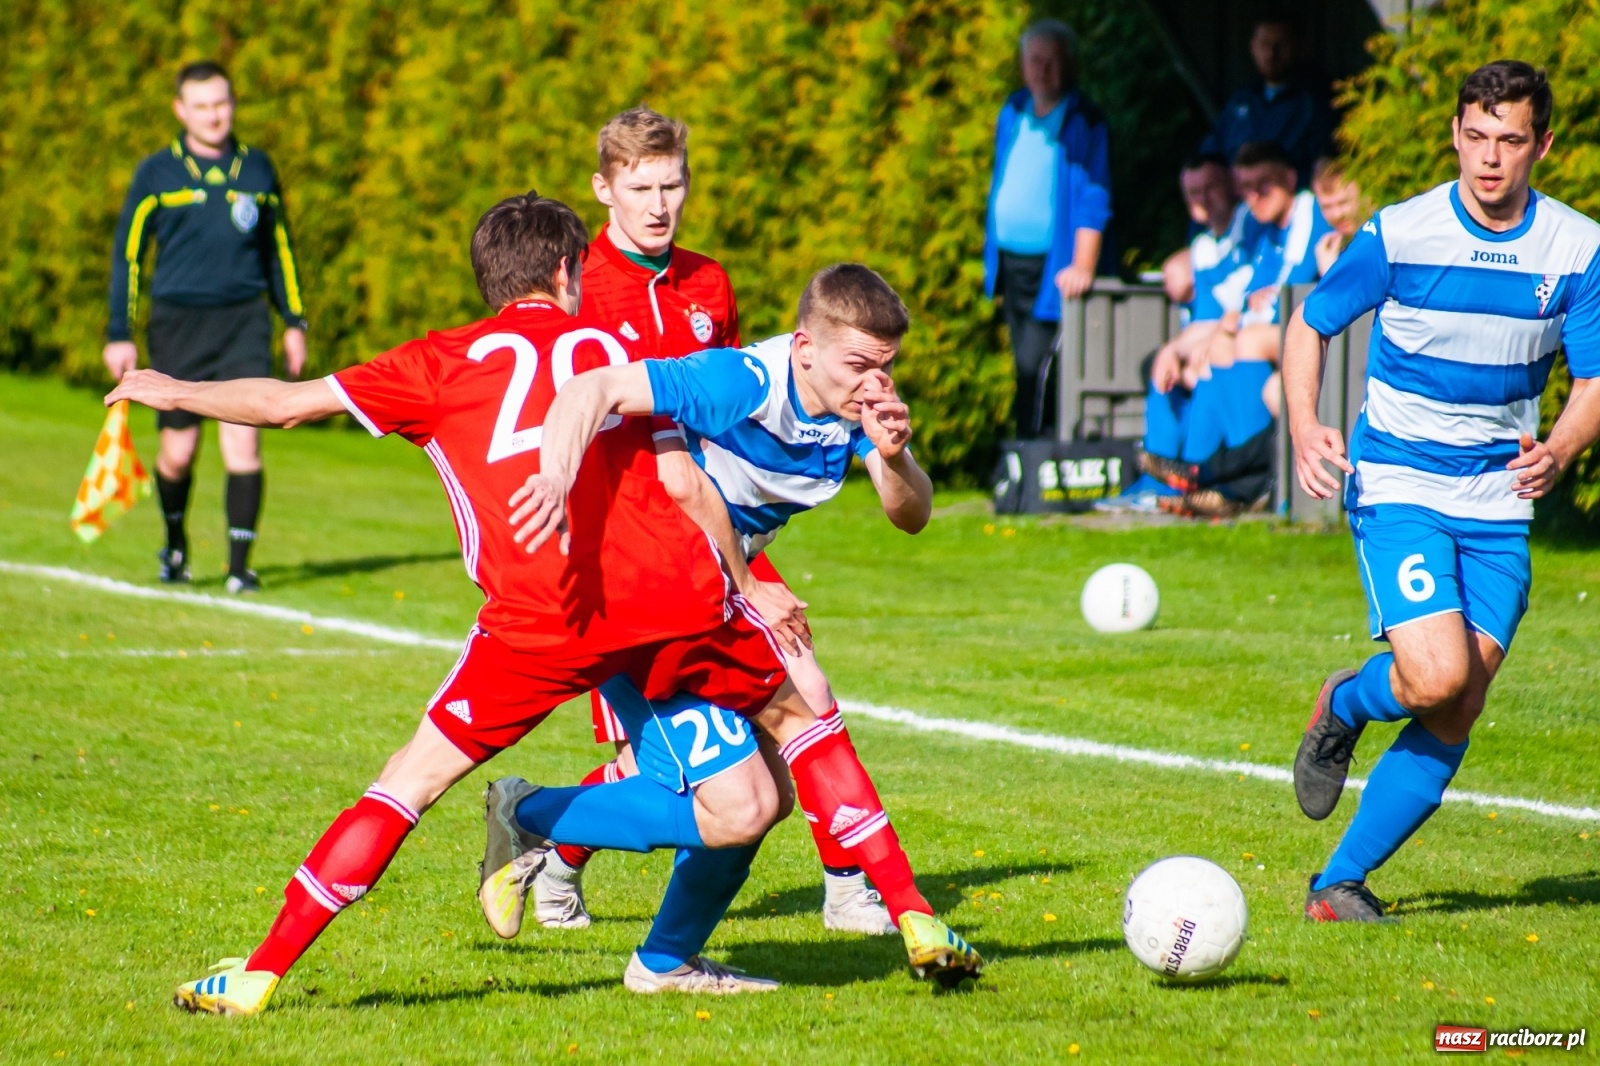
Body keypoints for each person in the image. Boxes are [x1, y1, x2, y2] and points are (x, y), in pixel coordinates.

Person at [107, 194, 981, 1013]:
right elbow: (681, 480)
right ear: (569, 274)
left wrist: (176, 391)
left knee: (410, 784)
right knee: (798, 724)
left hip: (536, 619)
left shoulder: (435, 361)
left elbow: (285, 405)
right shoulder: (613, 349)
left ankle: (259, 974)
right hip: (661, 603)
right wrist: (742, 584)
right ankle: (905, 910)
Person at [541, 109, 895, 938]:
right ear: (604, 189)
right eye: (641, 188)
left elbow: (725, 418)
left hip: (717, 526)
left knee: (806, 694)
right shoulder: (579, 284)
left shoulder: (709, 283)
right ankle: (549, 846)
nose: (661, 205)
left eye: (673, 185)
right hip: (635, 547)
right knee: (676, 765)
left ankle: (848, 886)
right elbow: (589, 415)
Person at [1284, 62, 1600, 920]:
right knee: (1432, 677)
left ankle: (1336, 884)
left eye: (1510, 139)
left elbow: (1593, 380)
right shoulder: (1401, 233)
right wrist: (1307, 423)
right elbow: (1310, 323)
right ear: (1456, 134)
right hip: (1401, 482)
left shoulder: (1576, 246)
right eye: (1477, 136)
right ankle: (1346, 702)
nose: (1490, 157)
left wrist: (1563, 445)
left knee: (1458, 704)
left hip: (1498, 502)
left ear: (1541, 144)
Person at [104, 60, 308, 594]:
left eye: (220, 103)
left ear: (233, 103)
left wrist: (293, 320)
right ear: (181, 110)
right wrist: (118, 331)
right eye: (200, 106)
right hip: (178, 323)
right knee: (178, 453)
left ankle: (240, 568)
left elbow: (279, 250)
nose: (213, 115)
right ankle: (175, 547)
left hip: (243, 322)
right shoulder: (157, 173)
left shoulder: (258, 170)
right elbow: (127, 255)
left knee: (245, 447)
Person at [1101, 154, 1262, 512]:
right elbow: (1206, 317)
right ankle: (1155, 480)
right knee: (1164, 368)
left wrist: (1195, 348)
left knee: (1202, 370)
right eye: (1192, 192)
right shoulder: (1204, 247)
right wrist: (1173, 351)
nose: (1202, 199)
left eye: (1210, 188)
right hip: (1219, 341)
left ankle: (1189, 482)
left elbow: (1245, 307)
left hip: (1251, 342)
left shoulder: (1251, 230)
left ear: (1231, 186)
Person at [983, 18, 1112, 438]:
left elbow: (1094, 196)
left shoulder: (1084, 120)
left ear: (1069, 66)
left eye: (1052, 61)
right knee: (1021, 358)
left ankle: (1035, 452)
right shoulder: (1013, 109)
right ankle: (1025, 454)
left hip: (1054, 265)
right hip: (1011, 262)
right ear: (1023, 65)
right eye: (1035, 60)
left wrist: (1083, 262)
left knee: (1037, 364)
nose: (1043, 69)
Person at [1200, 15, 1335, 188]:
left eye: (1281, 44)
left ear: (1300, 47)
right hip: (1238, 204)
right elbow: (1210, 155)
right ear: (1252, 47)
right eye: (1265, 44)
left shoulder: (1317, 100)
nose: (1272, 53)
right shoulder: (1241, 99)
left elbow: (1323, 164)